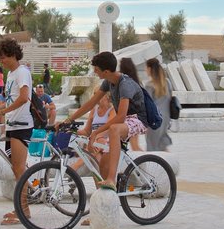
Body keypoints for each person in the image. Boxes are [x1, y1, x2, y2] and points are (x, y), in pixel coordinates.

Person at [59, 51, 148, 195]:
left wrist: (97, 132)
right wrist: (69, 120)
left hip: (138, 119)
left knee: (114, 129)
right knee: (102, 166)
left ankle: (112, 179)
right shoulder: (108, 82)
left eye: (96, 70)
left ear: (106, 71)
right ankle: (103, 206)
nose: (94, 72)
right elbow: (90, 104)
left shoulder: (125, 84)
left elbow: (120, 117)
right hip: (123, 121)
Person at [0, 38, 34, 226]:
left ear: (14, 55)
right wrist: (0, 107)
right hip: (13, 125)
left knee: (19, 168)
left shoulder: (22, 72)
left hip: (22, 125)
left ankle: (23, 210)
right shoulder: (11, 74)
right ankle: (22, 208)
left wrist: (3, 111)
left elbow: (24, 98)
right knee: (16, 168)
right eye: (0, 58)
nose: (2, 61)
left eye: (4, 57)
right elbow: (12, 98)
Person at [144, 57, 173, 151]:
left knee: (152, 147)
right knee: (162, 145)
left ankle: (159, 165)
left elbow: (148, 106)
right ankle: (169, 164)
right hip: (165, 119)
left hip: (154, 120)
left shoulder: (149, 85)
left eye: (146, 68)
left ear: (149, 69)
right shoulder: (167, 82)